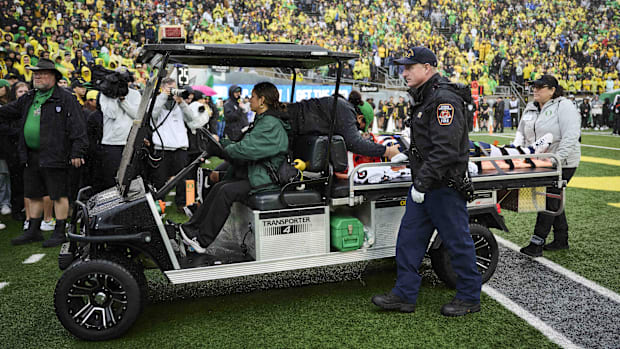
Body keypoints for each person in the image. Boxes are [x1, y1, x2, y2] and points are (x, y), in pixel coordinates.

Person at [371, 47, 481, 316]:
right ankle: (404, 294)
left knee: (457, 242)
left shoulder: (443, 100)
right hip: (427, 183)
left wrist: (421, 183)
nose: (404, 72)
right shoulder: (427, 96)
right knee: (408, 240)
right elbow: (431, 144)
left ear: (428, 68)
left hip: (444, 186)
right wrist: (408, 156)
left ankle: (469, 296)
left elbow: (445, 150)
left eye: (409, 67)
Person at [180, 82, 290, 253]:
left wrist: (223, 148)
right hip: (257, 173)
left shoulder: (270, 124)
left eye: (253, 96)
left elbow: (246, 150)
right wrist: (223, 144)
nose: (249, 99)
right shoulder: (263, 120)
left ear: (262, 100)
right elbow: (244, 144)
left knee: (226, 191)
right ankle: (192, 229)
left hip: (266, 178)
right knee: (220, 186)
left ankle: (202, 241)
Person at [0, 58, 88, 247]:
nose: (37, 77)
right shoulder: (30, 97)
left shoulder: (66, 98)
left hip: (56, 153)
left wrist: (77, 151)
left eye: (41, 74)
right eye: (35, 74)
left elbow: (78, 127)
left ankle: (59, 230)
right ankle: (34, 229)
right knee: (33, 193)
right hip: (31, 154)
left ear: (53, 77)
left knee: (58, 194)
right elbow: (7, 111)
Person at [514, 75, 581, 256]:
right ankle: (561, 239)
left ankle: (537, 243)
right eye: (533, 86)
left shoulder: (564, 105)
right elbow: (521, 134)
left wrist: (557, 159)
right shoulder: (530, 107)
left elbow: (571, 135)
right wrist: (516, 154)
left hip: (563, 162)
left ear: (552, 90)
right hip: (540, 162)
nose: (535, 90)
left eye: (540, 87)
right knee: (554, 196)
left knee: (549, 197)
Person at [150, 78, 198, 210]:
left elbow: (192, 118)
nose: (173, 91)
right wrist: (163, 96)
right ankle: (159, 205)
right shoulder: (156, 101)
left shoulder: (179, 105)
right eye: (170, 88)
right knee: (160, 180)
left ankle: (185, 204)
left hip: (180, 147)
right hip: (162, 147)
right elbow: (152, 114)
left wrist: (181, 102)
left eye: (174, 88)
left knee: (185, 179)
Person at [99, 68, 141, 188]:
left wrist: (123, 100)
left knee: (130, 178)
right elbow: (111, 114)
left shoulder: (135, 94)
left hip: (129, 142)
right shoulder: (105, 94)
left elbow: (137, 114)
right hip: (111, 142)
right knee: (111, 178)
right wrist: (113, 95)